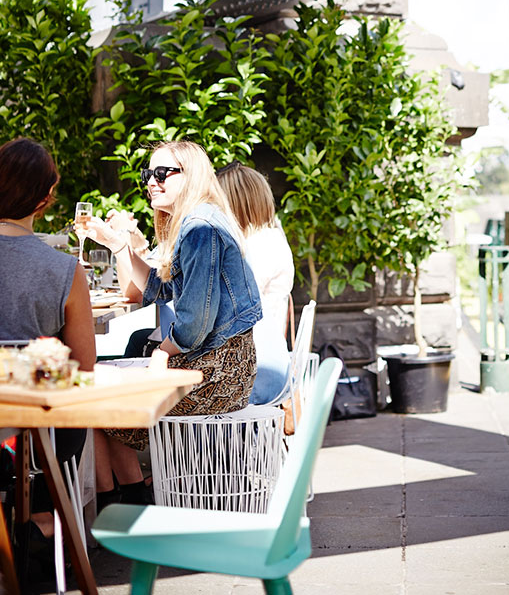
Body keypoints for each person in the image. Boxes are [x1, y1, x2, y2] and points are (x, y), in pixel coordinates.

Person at [84, 140, 262, 506]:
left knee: (93, 398)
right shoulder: (197, 222)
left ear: (191, 175)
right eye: (148, 174)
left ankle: (116, 507)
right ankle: (128, 498)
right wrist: (119, 245)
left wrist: (161, 354)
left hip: (216, 375)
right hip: (221, 365)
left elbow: (194, 326)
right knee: (99, 382)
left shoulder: (200, 228)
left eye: (162, 173)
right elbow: (158, 289)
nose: (152, 181)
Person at [0, 137, 96, 570]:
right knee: (73, 409)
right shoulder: (65, 271)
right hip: (37, 435)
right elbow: (85, 366)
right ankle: (42, 519)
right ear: (44, 199)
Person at [216, 161, 294, 404]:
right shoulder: (268, 237)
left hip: (256, 369)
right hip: (259, 357)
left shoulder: (258, 245)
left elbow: (230, 307)